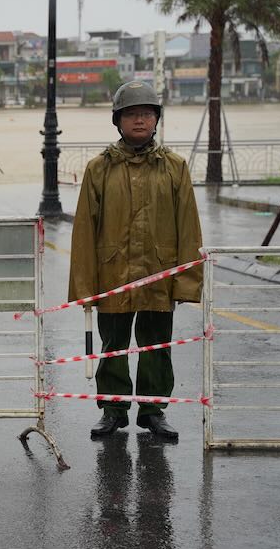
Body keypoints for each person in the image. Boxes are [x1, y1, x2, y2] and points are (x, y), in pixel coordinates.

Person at [68, 80, 203, 441]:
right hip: (113, 273)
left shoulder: (174, 167)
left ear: (156, 119)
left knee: (156, 346)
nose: (139, 121)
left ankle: (153, 411)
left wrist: (186, 282)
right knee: (113, 345)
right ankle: (113, 411)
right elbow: (84, 229)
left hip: (159, 273)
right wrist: (85, 287)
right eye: (131, 114)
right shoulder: (100, 169)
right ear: (118, 121)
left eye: (146, 114)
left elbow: (188, 226)